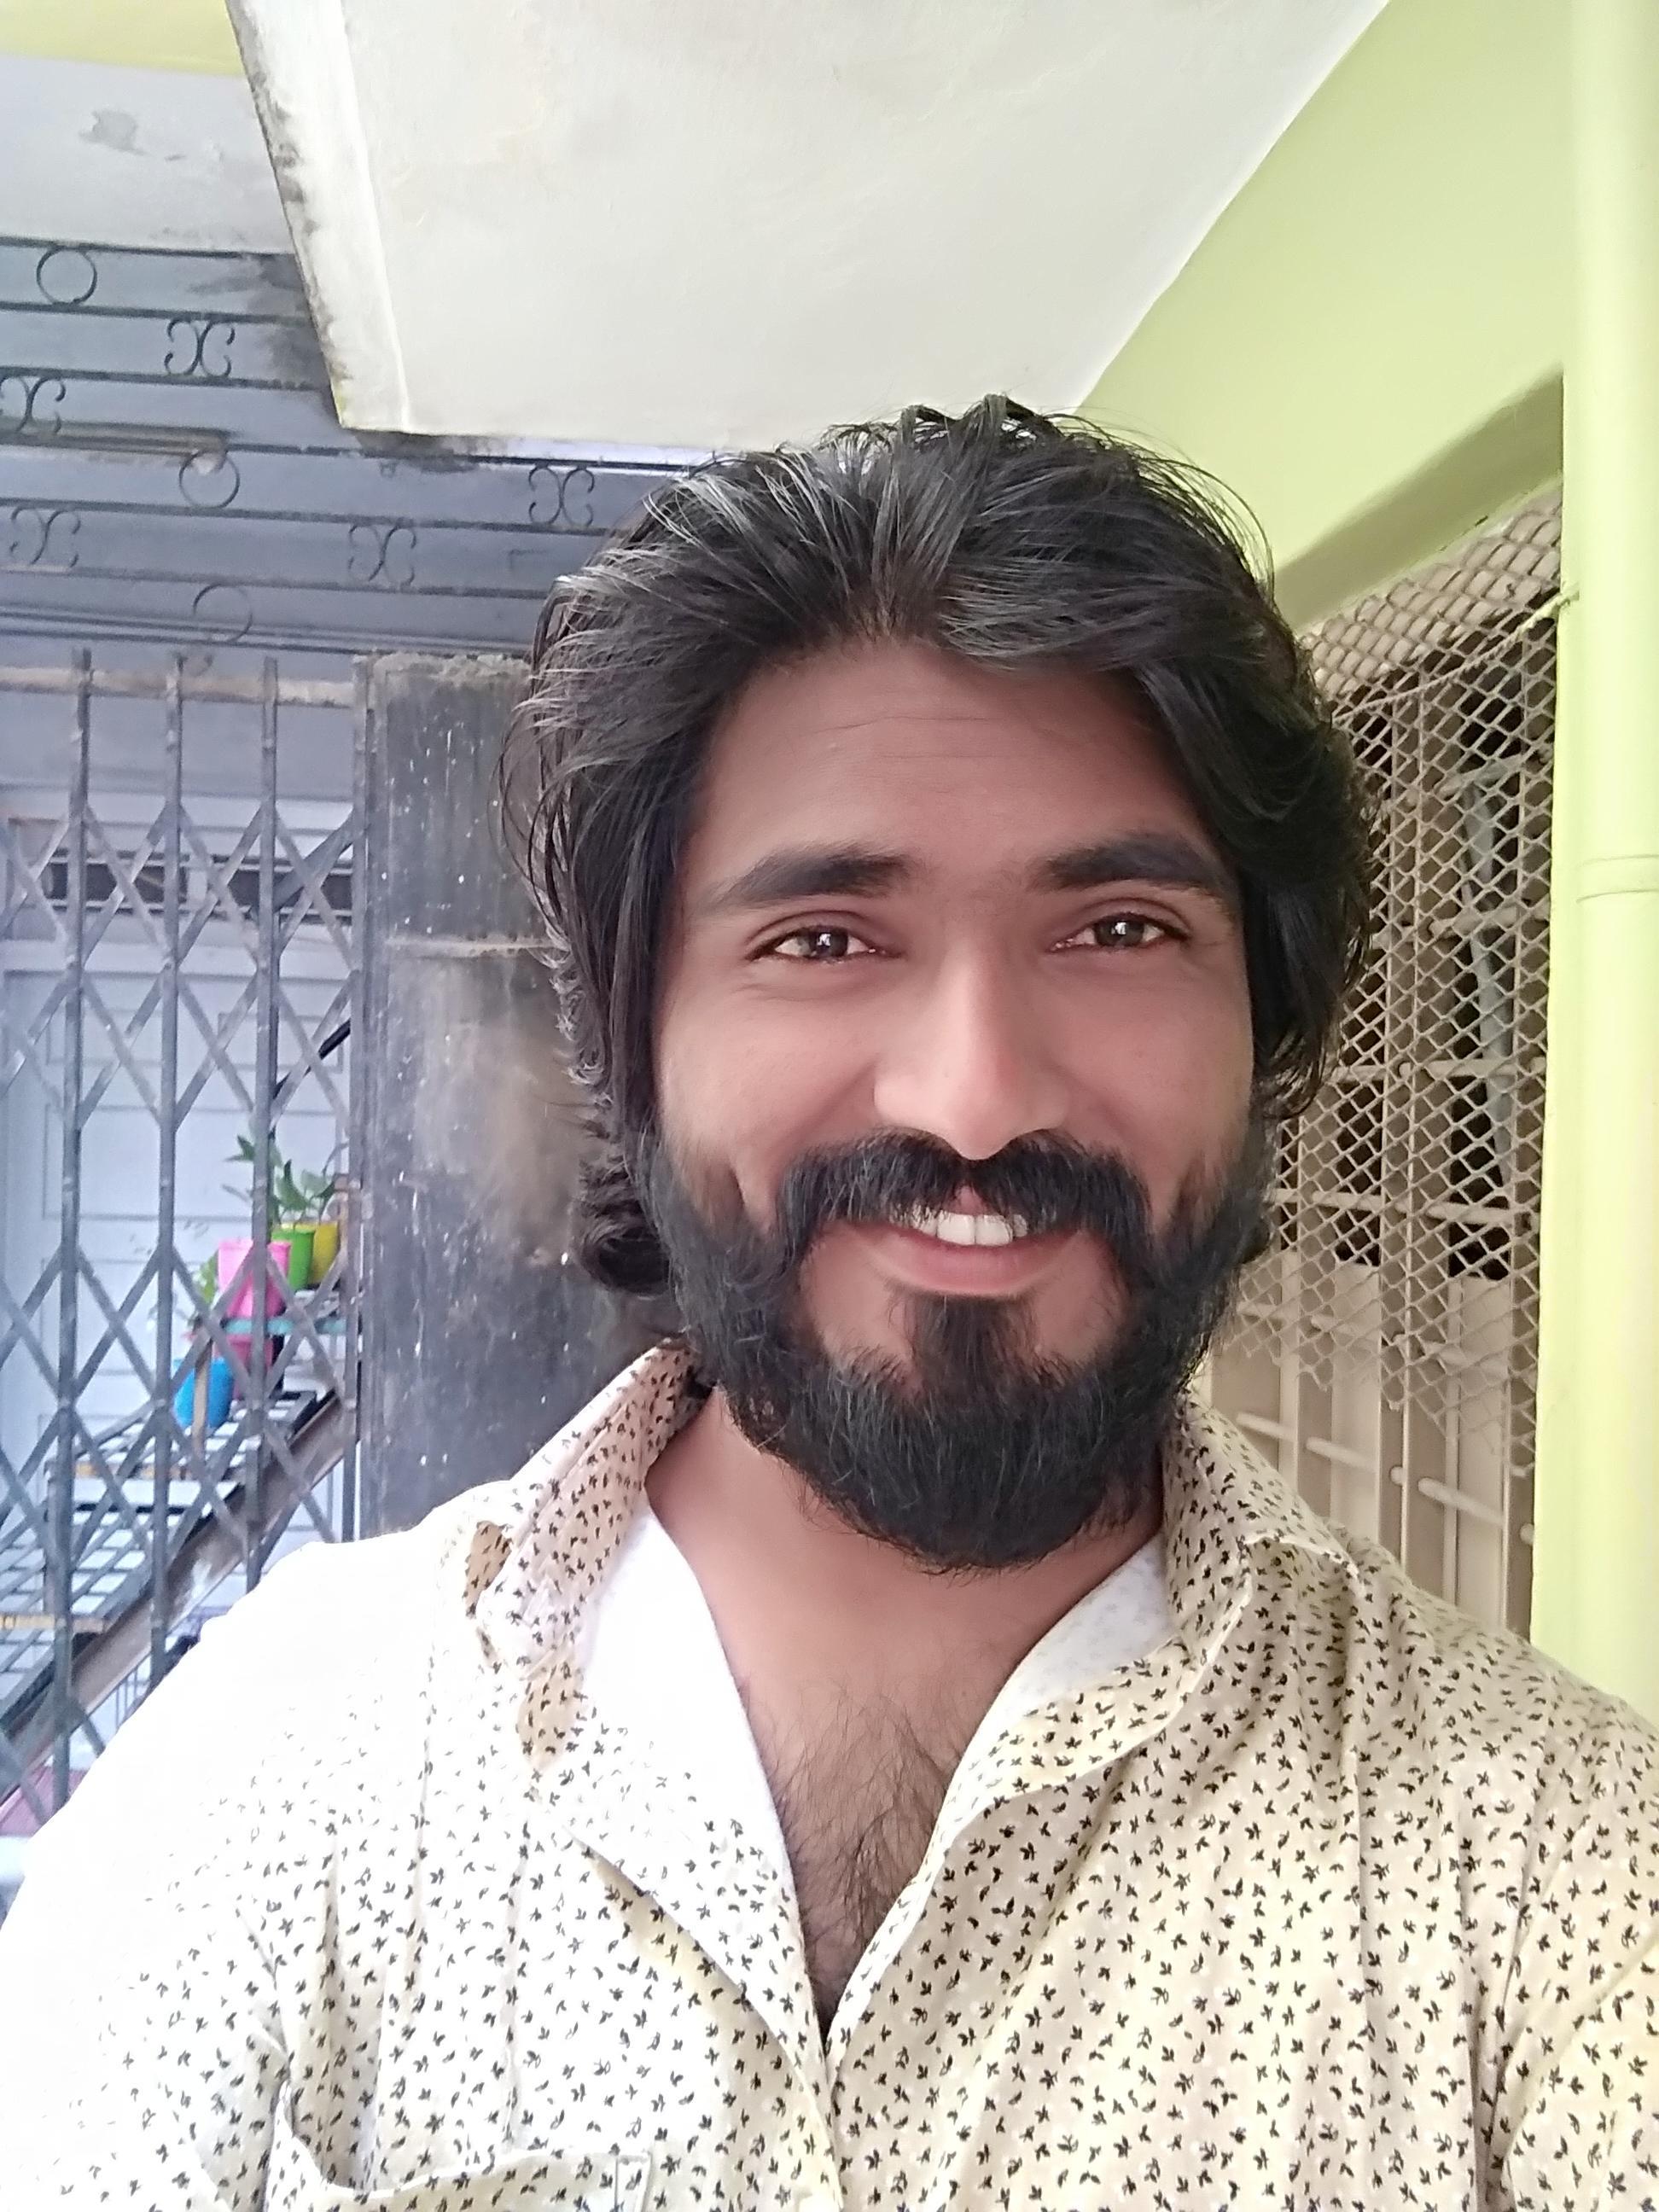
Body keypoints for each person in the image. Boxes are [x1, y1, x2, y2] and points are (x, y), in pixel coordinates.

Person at [2, 399, 1655, 2209]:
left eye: (1118, 929)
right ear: (634, 1044)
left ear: (1263, 1028)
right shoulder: (282, 1771)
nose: (975, 1099)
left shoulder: (1563, 1885)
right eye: (825, 940)